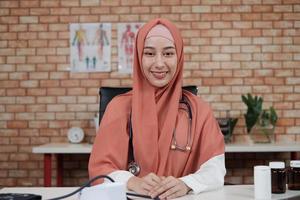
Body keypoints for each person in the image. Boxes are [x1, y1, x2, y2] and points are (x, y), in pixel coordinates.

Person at [89, 18, 226, 199]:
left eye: (168, 54)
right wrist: (132, 182)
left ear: (179, 57)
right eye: (150, 53)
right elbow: (100, 170)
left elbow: (215, 168)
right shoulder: (118, 107)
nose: (159, 63)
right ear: (139, 57)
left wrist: (186, 183)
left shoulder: (200, 110)